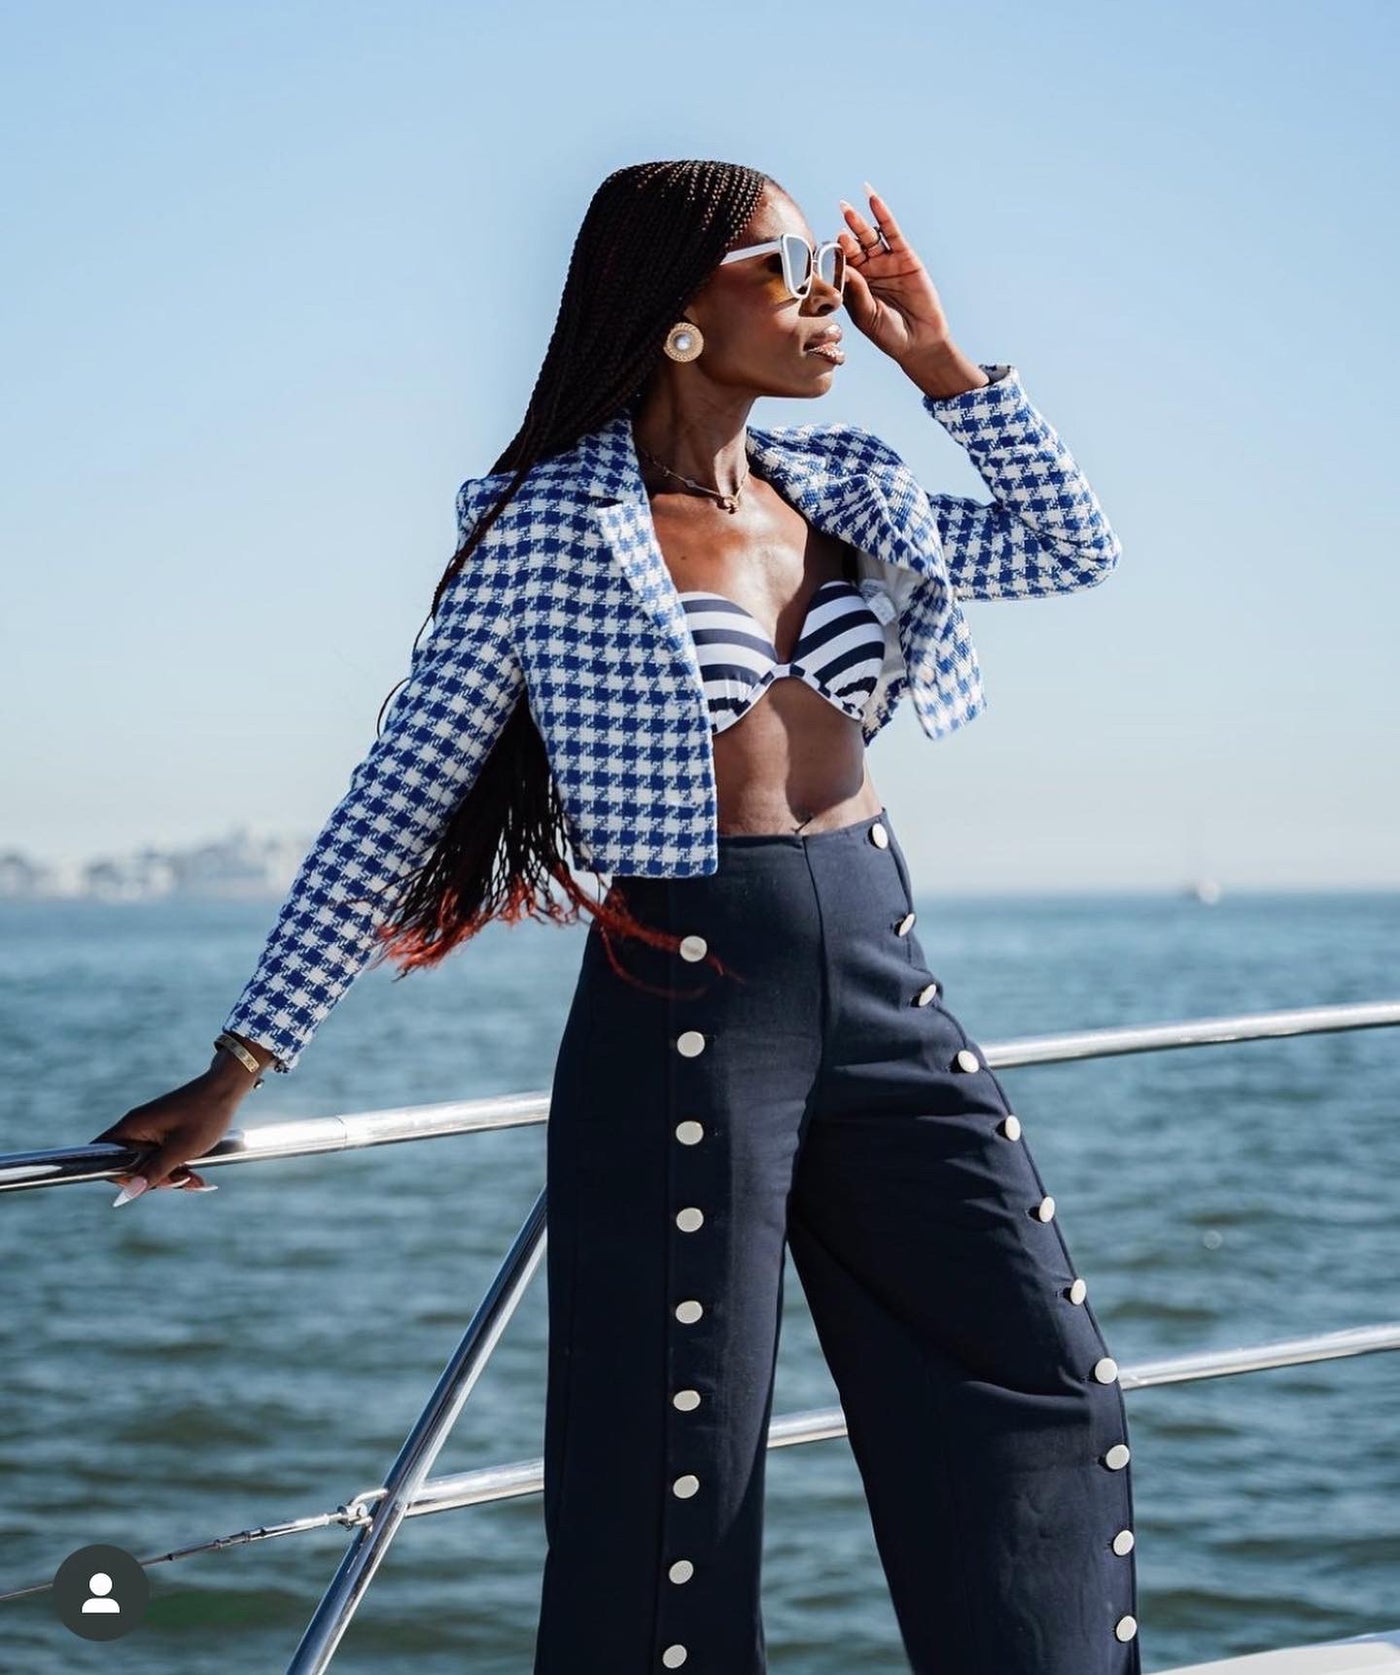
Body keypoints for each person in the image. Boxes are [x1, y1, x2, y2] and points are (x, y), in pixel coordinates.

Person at [91, 159, 1140, 1673]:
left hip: (885, 981)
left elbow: (1071, 549)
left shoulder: (845, 486)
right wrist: (242, 1063)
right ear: (675, 318)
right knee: (671, 1471)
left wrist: (945, 370)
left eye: (821, 263)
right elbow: (396, 801)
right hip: (689, 1016)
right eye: (782, 264)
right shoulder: (556, 530)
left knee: (1038, 1379)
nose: (824, 290)